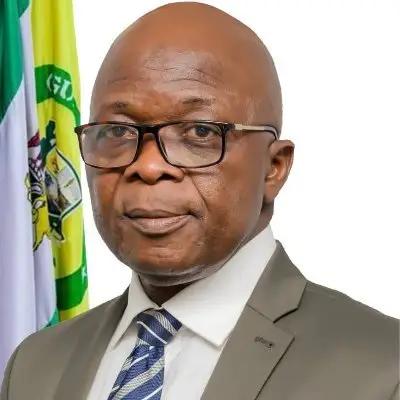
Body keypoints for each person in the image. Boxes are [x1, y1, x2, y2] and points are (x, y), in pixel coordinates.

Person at [1, 2, 398, 400]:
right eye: (118, 132)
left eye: (200, 132)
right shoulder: (34, 367)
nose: (148, 166)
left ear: (273, 167)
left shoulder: (384, 370)